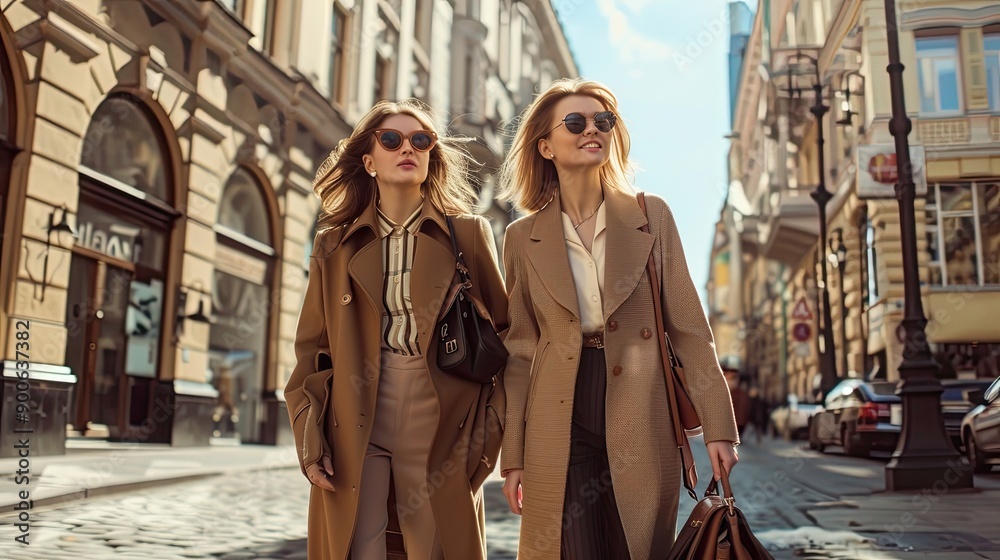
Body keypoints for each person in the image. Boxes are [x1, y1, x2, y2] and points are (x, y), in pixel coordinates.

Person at [495, 78, 740, 559]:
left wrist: (719, 427)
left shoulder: (652, 216)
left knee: (637, 545)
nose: (594, 130)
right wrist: (514, 456)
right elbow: (520, 352)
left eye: (603, 121)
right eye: (576, 122)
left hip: (640, 404)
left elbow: (690, 333)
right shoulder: (522, 238)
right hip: (558, 407)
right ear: (545, 145)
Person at [284, 99, 509, 560]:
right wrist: (309, 434)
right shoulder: (334, 244)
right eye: (391, 139)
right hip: (356, 408)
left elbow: (506, 339)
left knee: (432, 546)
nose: (407, 148)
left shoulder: (467, 234)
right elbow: (313, 349)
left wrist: (485, 441)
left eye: (421, 140)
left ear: (430, 157)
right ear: (369, 160)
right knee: (358, 545)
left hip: (440, 411)